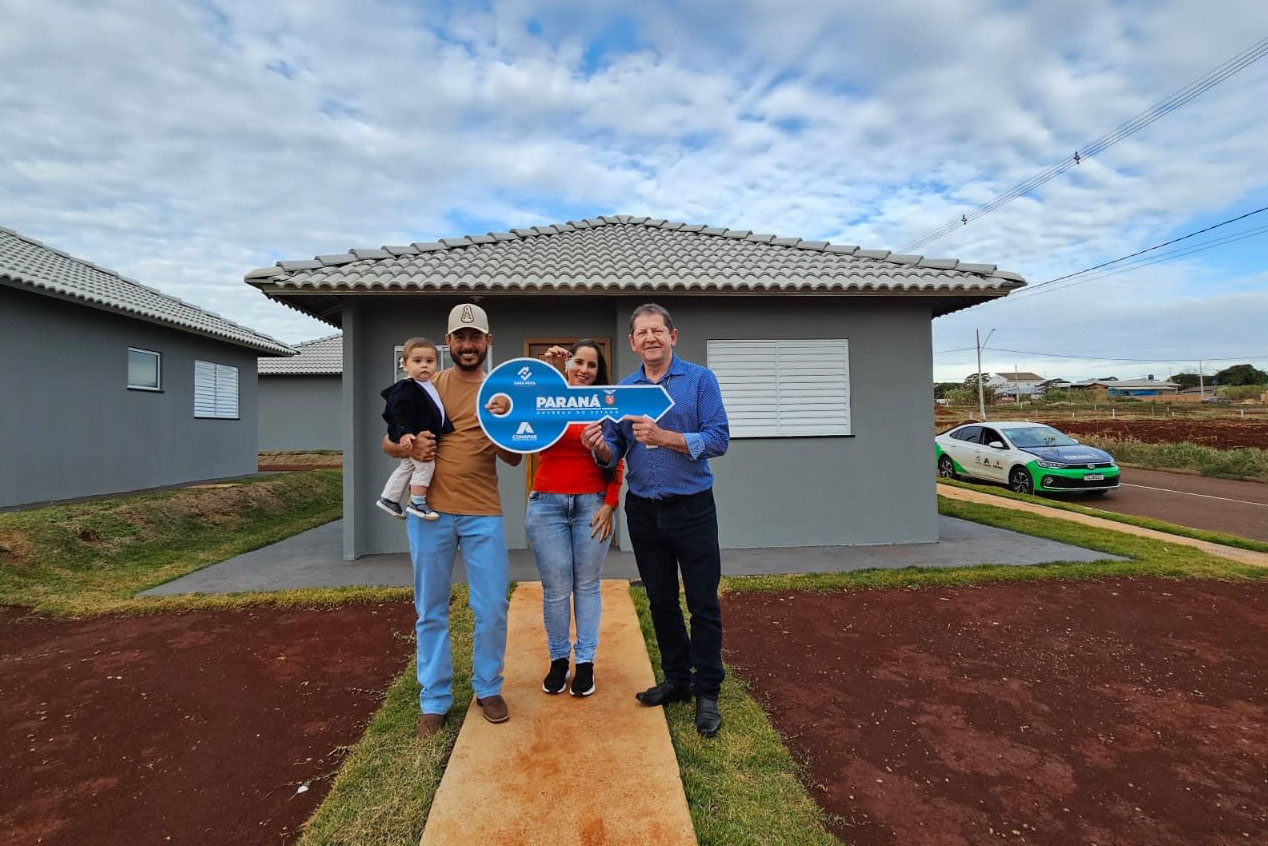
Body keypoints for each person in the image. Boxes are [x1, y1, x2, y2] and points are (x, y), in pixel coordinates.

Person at [580, 303, 730, 737]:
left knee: (702, 602)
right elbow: (613, 449)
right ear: (632, 342)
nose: (650, 338)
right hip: (644, 511)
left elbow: (719, 438)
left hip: (693, 507)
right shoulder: (624, 390)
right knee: (661, 601)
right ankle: (677, 679)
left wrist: (667, 437)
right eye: (642, 333)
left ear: (672, 336)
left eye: (657, 331)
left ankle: (707, 690)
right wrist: (599, 446)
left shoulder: (700, 381)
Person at [383, 303, 523, 738]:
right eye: (459, 337)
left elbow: (514, 457)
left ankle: (488, 687)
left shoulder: (500, 392)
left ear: (487, 341)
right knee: (430, 608)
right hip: (430, 514)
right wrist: (409, 448)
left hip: (483, 513)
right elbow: (389, 443)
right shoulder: (426, 385)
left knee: (493, 607)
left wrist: (498, 427)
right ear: (448, 343)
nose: (467, 344)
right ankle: (435, 698)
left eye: (474, 337)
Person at [523, 341, 624, 698]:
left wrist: (610, 503)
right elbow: (527, 425)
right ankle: (558, 661)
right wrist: (548, 373)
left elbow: (618, 458)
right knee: (555, 589)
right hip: (546, 504)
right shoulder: (550, 396)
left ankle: (585, 663)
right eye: (578, 362)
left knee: (587, 586)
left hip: (591, 505)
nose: (584, 370)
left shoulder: (606, 405)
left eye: (591, 365)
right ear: (568, 365)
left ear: (599, 373)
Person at [376, 337, 453, 521]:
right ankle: (417, 502)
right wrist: (405, 433)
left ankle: (389, 498)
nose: (424, 365)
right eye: (417, 361)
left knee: (407, 466)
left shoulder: (427, 386)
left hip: (419, 435)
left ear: (436, 363)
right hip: (413, 437)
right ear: (405, 364)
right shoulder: (406, 388)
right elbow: (399, 412)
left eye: (429, 361)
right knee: (426, 465)